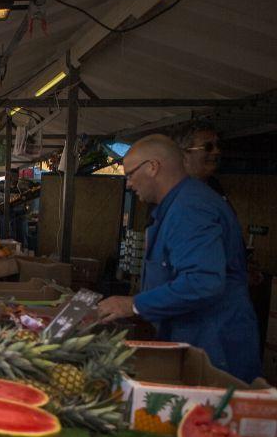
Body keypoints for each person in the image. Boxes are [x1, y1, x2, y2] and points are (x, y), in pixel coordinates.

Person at [96, 134, 261, 383]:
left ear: (153, 167)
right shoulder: (176, 206)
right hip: (192, 336)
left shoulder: (190, 208)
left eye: (130, 174)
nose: (129, 183)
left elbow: (202, 282)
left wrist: (133, 304)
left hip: (213, 345)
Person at [178, 123, 227, 201]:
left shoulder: (213, 184)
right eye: (208, 147)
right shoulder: (175, 193)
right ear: (184, 155)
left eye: (218, 145)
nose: (216, 151)